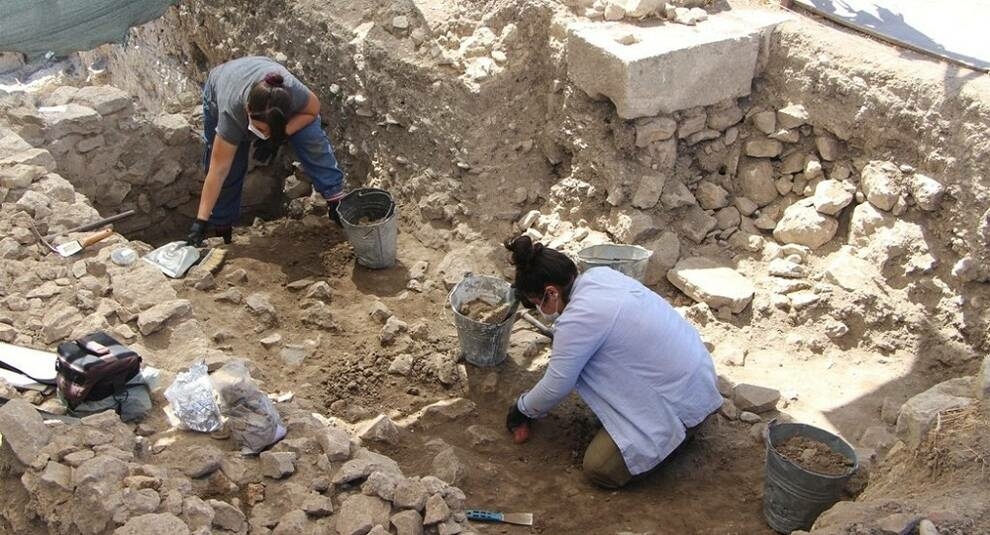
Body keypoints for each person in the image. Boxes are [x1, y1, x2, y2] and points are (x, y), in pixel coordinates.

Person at [503, 236, 722, 489]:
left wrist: (522, 409)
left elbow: (557, 385)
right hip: (700, 383)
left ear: (551, 292)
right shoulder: (601, 276)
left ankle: (674, 441)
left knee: (599, 468)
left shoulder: (578, 320)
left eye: (535, 302)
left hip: (679, 405)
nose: (536, 308)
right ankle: (680, 427)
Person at [186, 56, 345, 246]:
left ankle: (336, 200)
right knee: (231, 169)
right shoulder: (232, 114)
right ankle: (222, 229)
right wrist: (200, 221)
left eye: (270, 130)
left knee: (310, 135)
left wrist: (277, 137)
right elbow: (218, 170)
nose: (263, 135)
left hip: (259, 75)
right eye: (260, 130)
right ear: (247, 110)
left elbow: (312, 110)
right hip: (220, 85)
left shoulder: (292, 92)